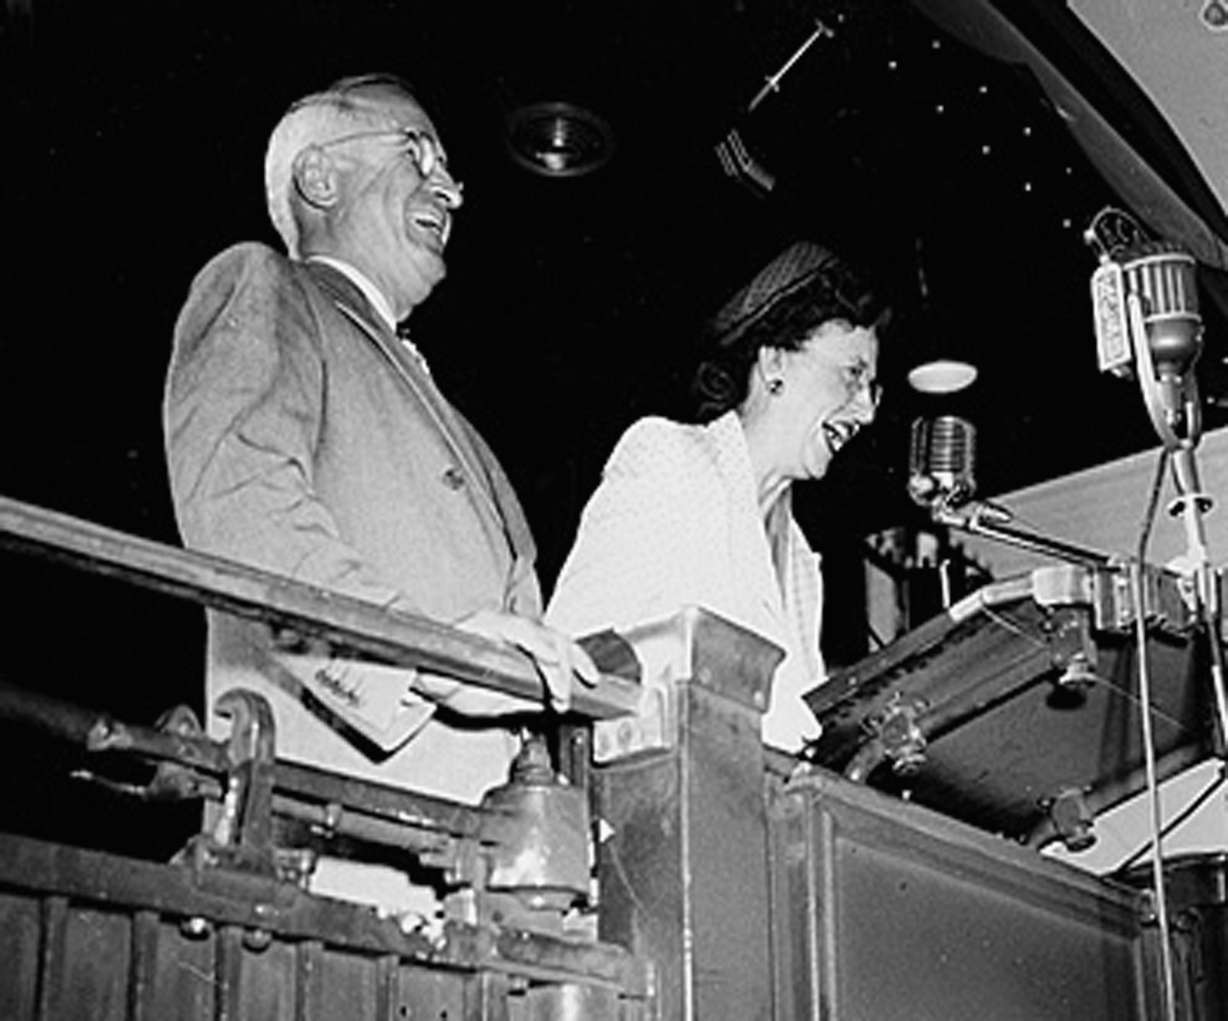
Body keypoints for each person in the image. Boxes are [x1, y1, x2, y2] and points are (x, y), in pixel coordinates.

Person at [163, 74, 598, 829]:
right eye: (418, 154)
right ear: (319, 176)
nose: (452, 193)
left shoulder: (457, 423)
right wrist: (425, 658)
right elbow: (240, 505)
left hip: (490, 868)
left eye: (451, 173)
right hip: (336, 856)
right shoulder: (263, 285)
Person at [546, 241, 888, 751]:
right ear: (774, 362)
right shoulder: (672, 458)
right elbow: (567, 653)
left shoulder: (798, 557)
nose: (866, 411)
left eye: (873, 388)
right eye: (852, 375)